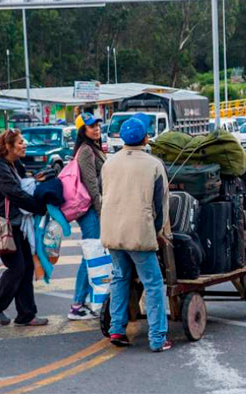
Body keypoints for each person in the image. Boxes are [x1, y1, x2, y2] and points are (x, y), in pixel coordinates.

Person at [101, 115, 173, 353]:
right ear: (146, 137)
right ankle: (157, 338)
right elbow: (160, 205)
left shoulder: (109, 163)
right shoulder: (153, 165)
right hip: (139, 232)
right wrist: (159, 232)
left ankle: (117, 330)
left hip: (112, 230)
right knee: (153, 283)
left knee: (120, 278)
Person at [0, 129, 47, 326]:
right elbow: (15, 193)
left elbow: (22, 187)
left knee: (26, 268)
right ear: (8, 147)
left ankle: (26, 314)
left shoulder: (13, 163)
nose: (24, 145)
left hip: (17, 223)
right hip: (4, 224)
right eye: (19, 142)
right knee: (17, 268)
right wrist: (39, 207)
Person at [68, 112, 106, 321]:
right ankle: (77, 305)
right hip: (90, 211)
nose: (96, 128)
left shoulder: (94, 149)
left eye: (97, 125)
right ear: (83, 131)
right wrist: (101, 212)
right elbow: (92, 185)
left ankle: (92, 301)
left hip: (94, 209)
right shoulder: (85, 151)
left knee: (94, 255)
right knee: (90, 257)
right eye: (91, 126)